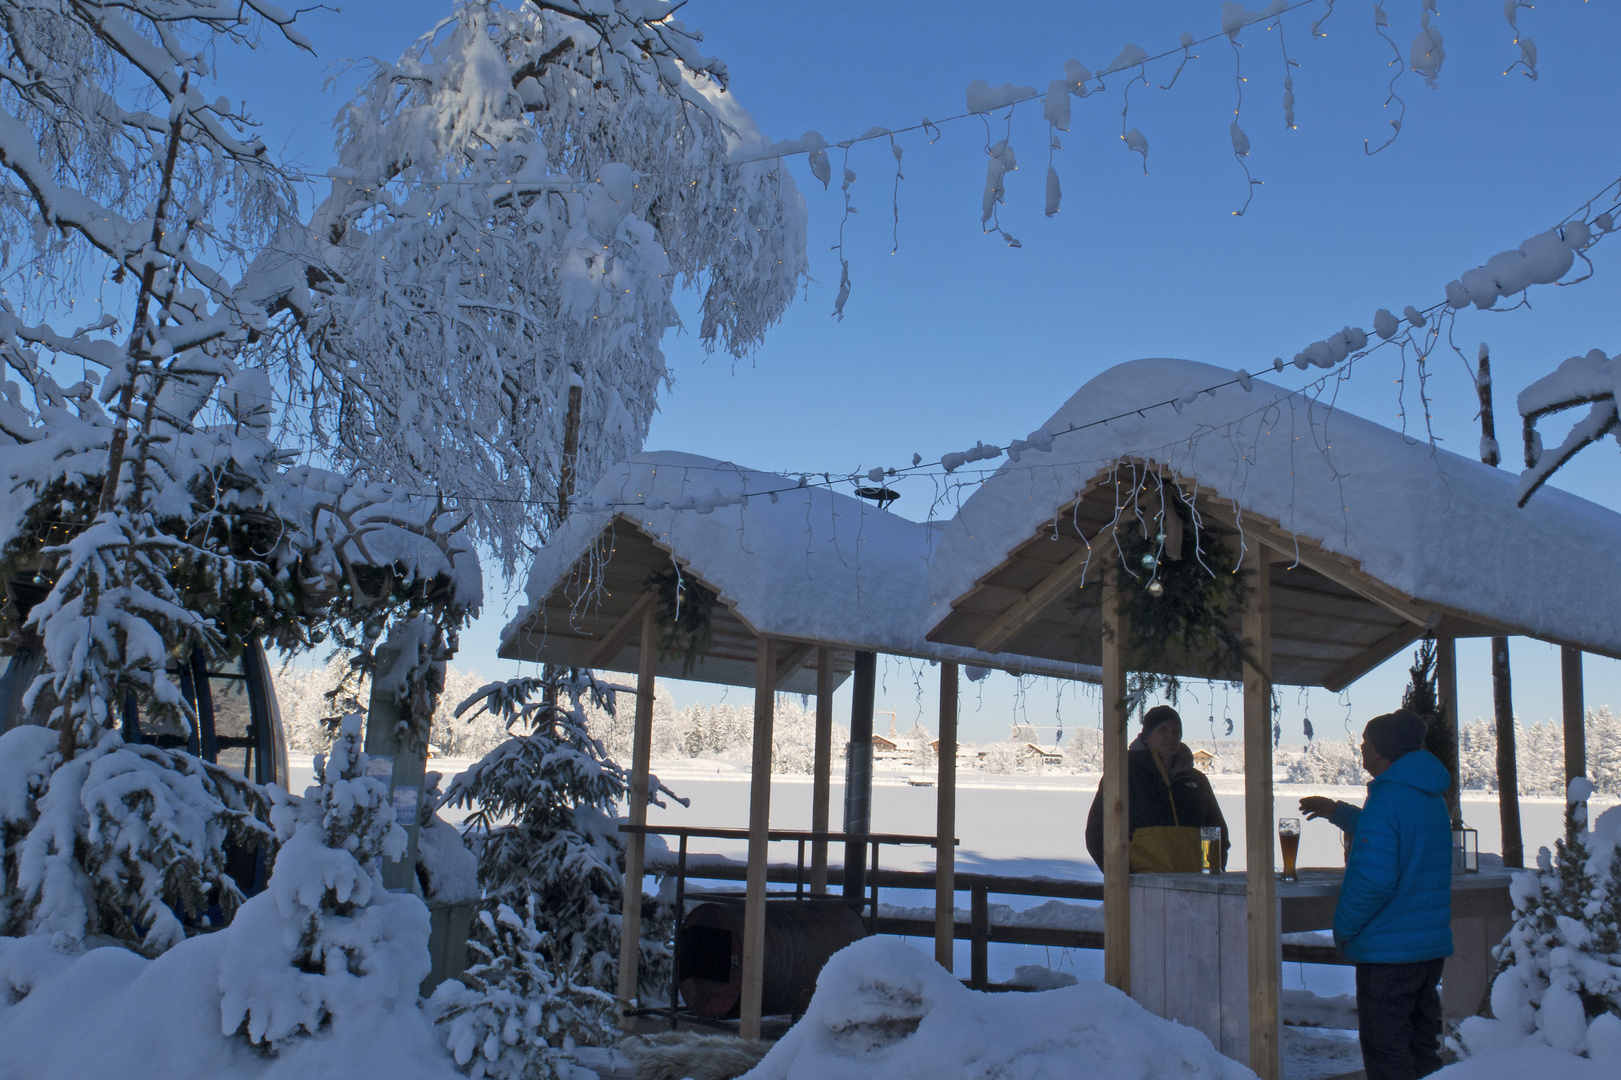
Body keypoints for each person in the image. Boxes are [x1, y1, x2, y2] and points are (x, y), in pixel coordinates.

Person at [1299, 709, 1453, 1080]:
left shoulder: (1387, 799)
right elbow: (1397, 834)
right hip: (1426, 951)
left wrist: (1344, 927)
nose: (1361, 751)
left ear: (1383, 752)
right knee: (1422, 1052)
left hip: (1388, 955)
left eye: (1365, 744)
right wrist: (1338, 812)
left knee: (1388, 1058)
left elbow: (1373, 881)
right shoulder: (1426, 795)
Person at [1085, 705, 1228, 873]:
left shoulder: (1196, 780)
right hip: (1143, 886)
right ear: (1146, 736)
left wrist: (1210, 872)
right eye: (1163, 730)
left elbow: (1213, 830)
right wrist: (1122, 875)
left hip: (1194, 885)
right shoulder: (1124, 775)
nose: (1171, 736)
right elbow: (1098, 832)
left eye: (1176, 731)